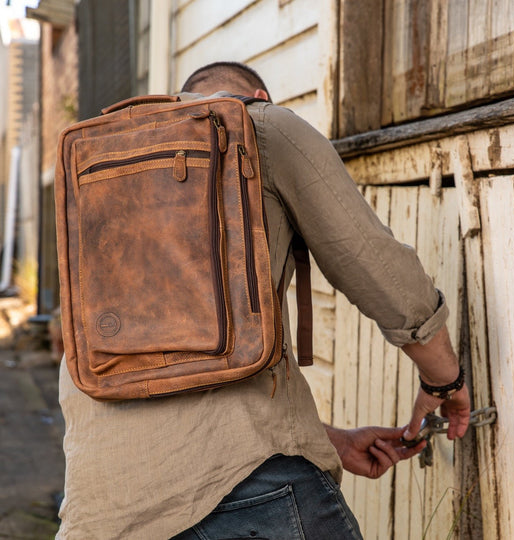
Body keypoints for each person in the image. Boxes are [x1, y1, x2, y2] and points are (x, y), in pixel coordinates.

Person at [57, 62, 470, 540]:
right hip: (249, 494)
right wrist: (445, 381)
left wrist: (328, 441)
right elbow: (377, 266)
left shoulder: (98, 164)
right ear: (258, 96)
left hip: (98, 511)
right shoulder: (261, 125)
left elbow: (156, 376)